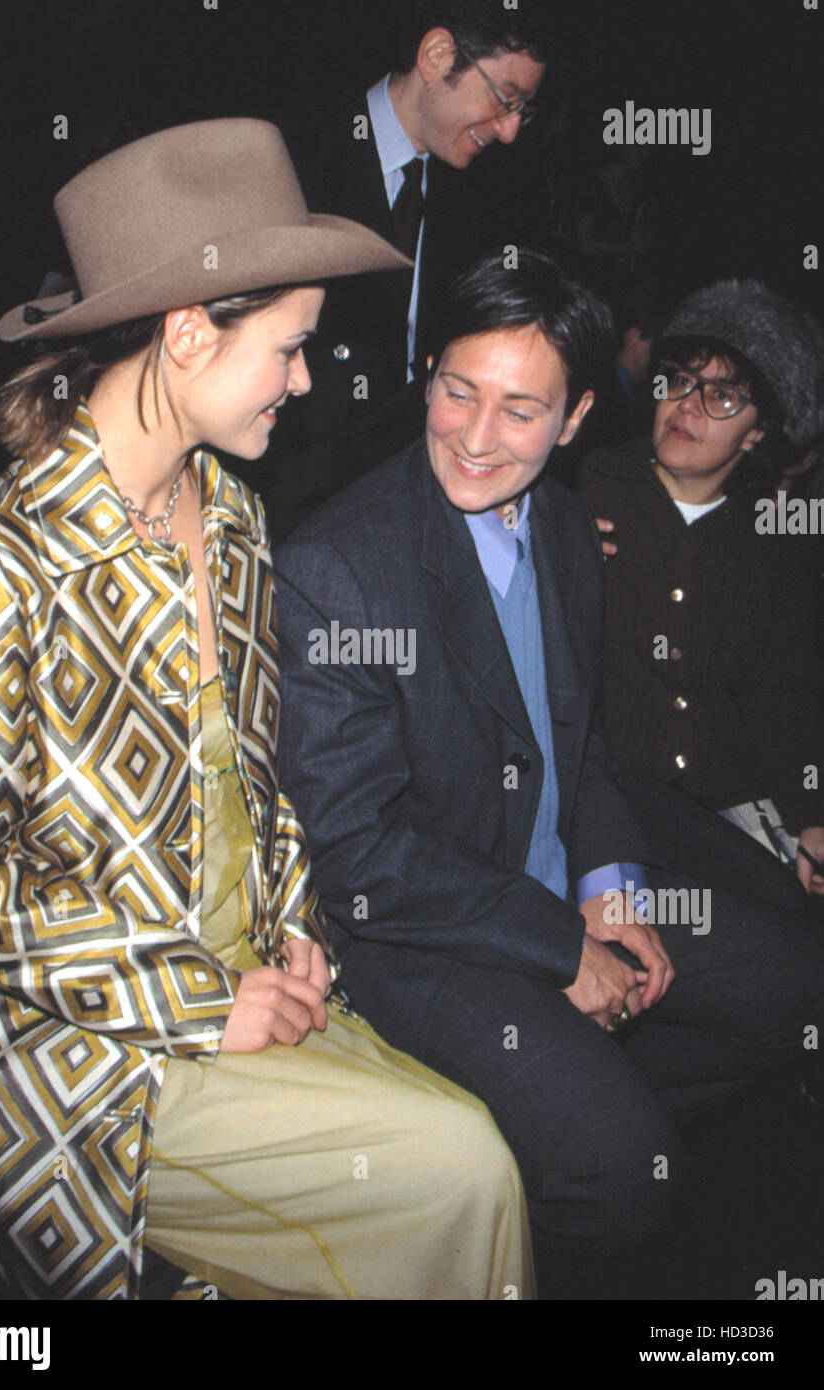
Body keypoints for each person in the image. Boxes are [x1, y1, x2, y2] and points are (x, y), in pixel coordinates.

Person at [0, 121, 534, 1301]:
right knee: (462, 1170)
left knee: (466, 1149)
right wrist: (196, 996)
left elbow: (254, 778)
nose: (304, 378)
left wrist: (293, 916)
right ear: (189, 334)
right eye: (290, 346)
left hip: (253, 971)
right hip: (62, 1038)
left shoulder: (232, 515)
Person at [273, 249, 824, 1299]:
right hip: (423, 924)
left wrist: (607, 877)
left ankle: (559, 1116)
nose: (476, 439)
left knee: (792, 990)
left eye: (520, 411)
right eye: (455, 392)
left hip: (556, 868)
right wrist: (561, 942)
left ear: (573, 419)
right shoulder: (337, 566)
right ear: (426, 373)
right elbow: (356, 857)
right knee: (620, 1177)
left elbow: (577, 745)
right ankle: (556, 1166)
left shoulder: (566, 523)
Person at [234, 0, 555, 540]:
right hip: (280, 503)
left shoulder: (483, 197)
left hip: (400, 492)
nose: (510, 130)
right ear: (437, 56)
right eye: (505, 99)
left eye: (525, 109)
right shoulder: (289, 152)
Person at [579, 280, 824, 902]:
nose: (687, 405)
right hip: (612, 799)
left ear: (757, 433)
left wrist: (809, 814)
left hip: (726, 801)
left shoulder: (770, 542)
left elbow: (782, 695)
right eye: (679, 381)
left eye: (721, 396)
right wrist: (556, 541)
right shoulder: (586, 489)